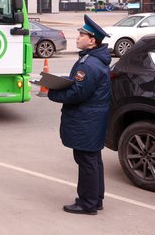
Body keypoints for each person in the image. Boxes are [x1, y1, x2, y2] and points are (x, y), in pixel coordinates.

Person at [48, 15, 111, 215]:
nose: (78, 37)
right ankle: (96, 199)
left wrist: (53, 91)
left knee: (86, 161)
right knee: (93, 159)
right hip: (93, 118)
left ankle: (87, 203)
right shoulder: (93, 60)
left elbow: (77, 92)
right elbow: (79, 84)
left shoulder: (88, 64)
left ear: (92, 40)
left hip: (86, 119)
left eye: (82, 34)